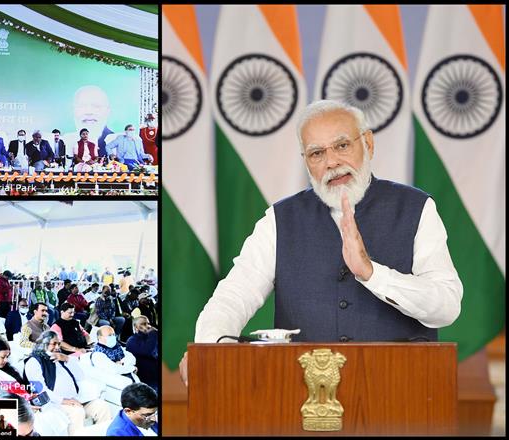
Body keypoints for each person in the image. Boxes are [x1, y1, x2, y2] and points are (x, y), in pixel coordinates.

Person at [179, 99, 464, 386]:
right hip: (302, 396)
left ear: (368, 143)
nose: (332, 162)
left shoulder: (416, 208)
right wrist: (208, 350)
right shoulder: (279, 219)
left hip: (398, 388)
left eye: (342, 146)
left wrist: (371, 273)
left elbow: (447, 307)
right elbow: (234, 296)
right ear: (306, 161)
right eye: (317, 153)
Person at [23, 331, 111, 435]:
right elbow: (41, 391)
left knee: (102, 406)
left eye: (59, 344)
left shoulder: (61, 357)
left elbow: (80, 376)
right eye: (54, 344)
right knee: (77, 412)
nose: (57, 347)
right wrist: (64, 401)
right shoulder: (34, 362)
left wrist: (67, 359)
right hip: (54, 403)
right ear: (44, 344)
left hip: (77, 399)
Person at [73, 85, 113, 157]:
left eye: (96, 106)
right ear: (74, 111)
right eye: (82, 106)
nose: (89, 112)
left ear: (108, 111)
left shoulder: (112, 139)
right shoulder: (70, 141)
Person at [126, 317, 158, 391]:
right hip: (146, 380)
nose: (148, 326)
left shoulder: (151, 338)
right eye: (143, 324)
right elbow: (148, 351)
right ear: (135, 327)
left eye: (148, 323)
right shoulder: (132, 341)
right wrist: (153, 333)